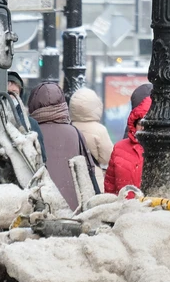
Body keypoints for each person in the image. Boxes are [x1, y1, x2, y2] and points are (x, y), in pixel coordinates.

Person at [27, 82, 96, 210]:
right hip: (73, 209)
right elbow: (88, 169)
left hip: (39, 207)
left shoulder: (29, 134)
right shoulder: (75, 133)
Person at [105, 92, 151, 194]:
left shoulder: (162, 150)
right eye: (140, 123)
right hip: (123, 208)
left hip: (152, 208)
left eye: (147, 124)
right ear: (134, 124)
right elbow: (110, 185)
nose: (143, 127)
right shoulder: (119, 148)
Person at [69, 87, 113, 191]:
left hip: (72, 176)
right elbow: (107, 157)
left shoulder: (69, 127)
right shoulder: (100, 130)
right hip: (93, 176)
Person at [7, 71, 46, 161]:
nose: (10, 97)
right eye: (7, 93)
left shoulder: (31, 124)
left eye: (14, 93)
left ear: (20, 95)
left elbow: (42, 157)